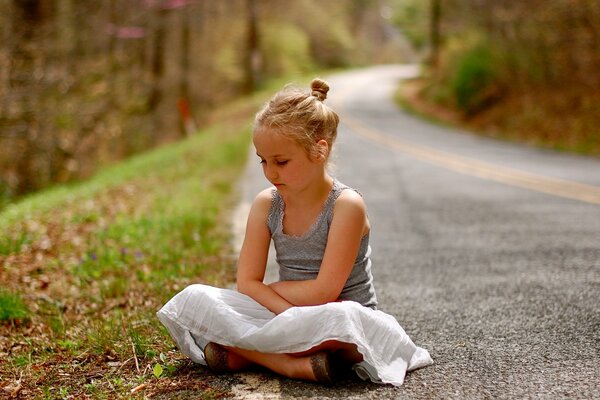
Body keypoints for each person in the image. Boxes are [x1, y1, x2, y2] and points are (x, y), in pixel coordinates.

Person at [157, 78, 432, 386]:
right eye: (263, 161)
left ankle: (255, 355)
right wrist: (282, 313)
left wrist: (275, 304)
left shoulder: (346, 206)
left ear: (319, 151)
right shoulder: (267, 204)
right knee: (195, 299)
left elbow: (325, 291)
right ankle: (291, 363)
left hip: (339, 319)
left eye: (282, 162)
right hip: (283, 312)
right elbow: (246, 282)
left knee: (341, 319)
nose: (270, 172)